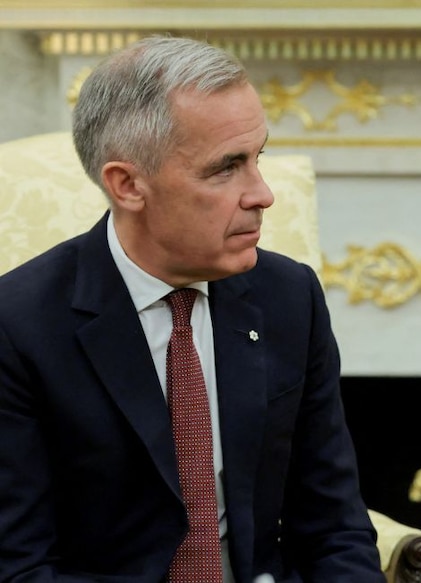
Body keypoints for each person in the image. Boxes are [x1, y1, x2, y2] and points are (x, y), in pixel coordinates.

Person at [0, 36, 385, 581]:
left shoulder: (289, 297)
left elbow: (333, 525)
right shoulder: (18, 327)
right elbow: (20, 567)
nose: (263, 194)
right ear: (128, 184)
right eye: (226, 167)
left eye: (258, 158)